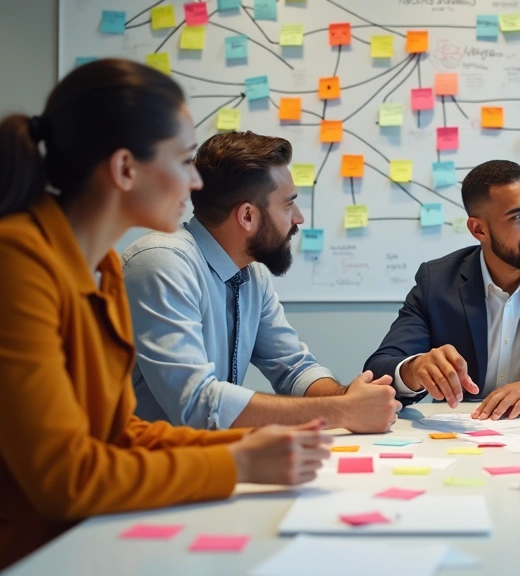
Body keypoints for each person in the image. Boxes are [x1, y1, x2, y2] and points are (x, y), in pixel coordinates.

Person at [0, 60, 331, 576]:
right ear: (124, 169)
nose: (195, 183)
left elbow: (118, 432)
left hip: (41, 544)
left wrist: (248, 443)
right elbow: (66, 478)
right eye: (184, 161)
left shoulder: (100, 268)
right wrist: (238, 463)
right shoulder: (9, 261)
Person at [123, 131, 400, 434]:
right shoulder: (161, 263)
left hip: (205, 454)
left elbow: (294, 368)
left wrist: (350, 398)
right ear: (247, 216)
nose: (298, 218)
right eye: (288, 205)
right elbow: (197, 404)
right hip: (141, 458)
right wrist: (342, 411)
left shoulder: (251, 273)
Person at [364, 160, 520, 420]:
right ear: (479, 229)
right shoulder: (437, 281)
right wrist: (414, 368)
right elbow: (378, 370)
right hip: (462, 430)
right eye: (519, 216)